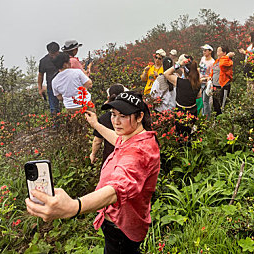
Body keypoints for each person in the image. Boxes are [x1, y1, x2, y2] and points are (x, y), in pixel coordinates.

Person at [26, 91, 160, 254]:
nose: (116, 121)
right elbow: (117, 140)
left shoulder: (138, 152)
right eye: (113, 114)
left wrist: (74, 207)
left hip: (120, 228)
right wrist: (96, 124)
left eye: (123, 116)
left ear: (139, 117)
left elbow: (117, 189)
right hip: (125, 220)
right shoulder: (136, 137)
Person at [90, 84, 128, 166]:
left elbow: (97, 141)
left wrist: (93, 154)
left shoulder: (104, 118)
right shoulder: (130, 116)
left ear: (108, 98)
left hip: (110, 158)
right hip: (128, 157)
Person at [164, 55, 201, 137]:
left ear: (185, 71)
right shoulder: (198, 83)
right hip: (192, 111)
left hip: (181, 111)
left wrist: (178, 65)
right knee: (190, 133)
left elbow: (166, 73)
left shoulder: (180, 82)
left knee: (180, 135)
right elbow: (198, 96)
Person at [209, 46, 235, 115]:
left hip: (223, 86)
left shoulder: (227, 61)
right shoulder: (218, 60)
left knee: (222, 105)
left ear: (224, 53)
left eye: (219, 51)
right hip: (215, 86)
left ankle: (221, 121)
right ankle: (216, 120)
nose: (217, 52)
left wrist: (227, 56)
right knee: (215, 104)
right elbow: (213, 70)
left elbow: (222, 64)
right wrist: (210, 76)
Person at [37, 42, 61, 115]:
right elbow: (41, 75)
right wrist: (40, 88)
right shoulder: (44, 61)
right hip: (51, 88)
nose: (53, 56)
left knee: (69, 106)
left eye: (55, 54)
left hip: (64, 86)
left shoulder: (64, 57)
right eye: (51, 54)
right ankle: (55, 125)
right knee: (54, 109)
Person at [199, 44, 215, 117]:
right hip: (200, 82)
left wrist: (205, 79)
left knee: (205, 101)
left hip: (206, 84)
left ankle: (206, 118)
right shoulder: (202, 58)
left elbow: (212, 74)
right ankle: (202, 115)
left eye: (205, 50)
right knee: (201, 100)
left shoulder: (212, 62)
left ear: (210, 51)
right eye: (203, 50)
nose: (204, 52)